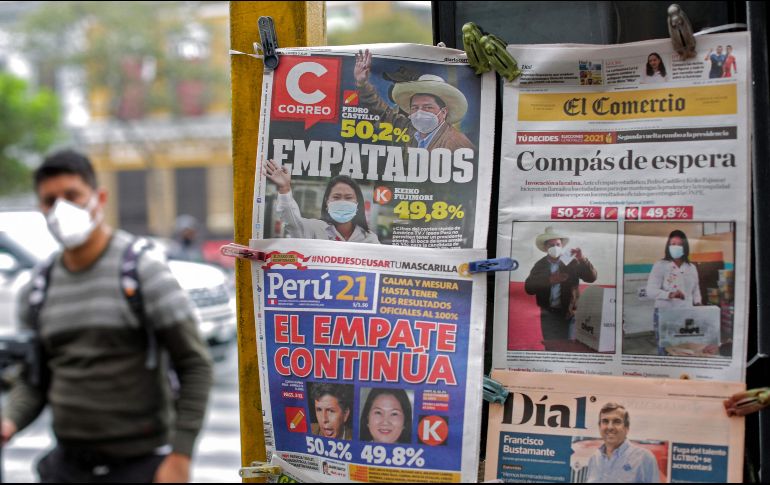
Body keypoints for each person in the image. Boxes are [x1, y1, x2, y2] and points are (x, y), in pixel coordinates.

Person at [1, 150, 213, 482]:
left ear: (99, 198)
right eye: (49, 200)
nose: (61, 209)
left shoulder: (142, 269)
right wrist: (9, 421)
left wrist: (181, 456)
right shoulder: (38, 289)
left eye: (72, 196)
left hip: (141, 464)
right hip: (68, 466)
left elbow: (195, 363)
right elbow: (34, 379)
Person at [354, 49, 474, 152]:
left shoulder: (456, 143)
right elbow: (382, 111)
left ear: (443, 112)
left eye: (428, 107)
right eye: (415, 108)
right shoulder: (411, 130)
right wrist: (362, 83)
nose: (420, 113)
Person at [266, 160, 379, 243]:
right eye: (336, 197)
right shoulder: (314, 229)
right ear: (327, 202)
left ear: (357, 203)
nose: (342, 201)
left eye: (348, 197)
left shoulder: (369, 239)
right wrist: (284, 188)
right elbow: (291, 222)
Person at [524, 226, 597, 343]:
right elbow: (529, 288)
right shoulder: (540, 264)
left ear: (562, 245)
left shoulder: (573, 261)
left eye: (558, 244)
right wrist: (549, 280)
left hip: (570, 314)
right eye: (551, 245)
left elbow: (591, 278)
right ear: (545, 247)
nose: (555, 247)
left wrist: (583, 259)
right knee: (551, 346)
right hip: (548, 315)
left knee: (569, 346)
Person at [645, 230, 702, 355]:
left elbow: (696, 288)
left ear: (685, 247)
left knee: (684, 348)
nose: (675, 247)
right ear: (668, 246)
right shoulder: (660, 265)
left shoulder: (691, 267)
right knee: (666, 349)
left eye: (679, 244)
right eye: (672, 244)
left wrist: (698, 305)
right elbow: (650, 291)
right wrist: (670, 294)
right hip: (665, 314)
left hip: (686, 314)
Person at [585, 403, 660, 483]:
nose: (610, 427)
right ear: (599, 427)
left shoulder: (645, 458)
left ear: (626, 428)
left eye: (617, 421)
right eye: (605, 421)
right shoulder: (594, 458)